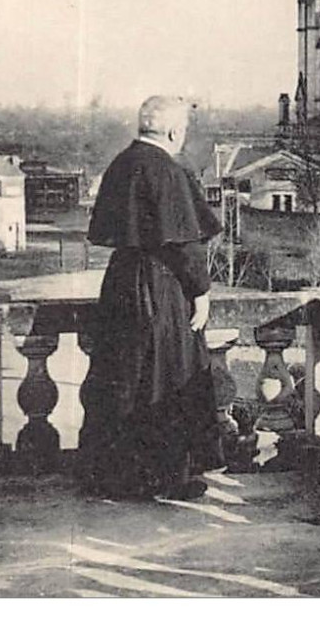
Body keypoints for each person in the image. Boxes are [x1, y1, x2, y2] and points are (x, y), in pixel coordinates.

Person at [79, 96, 225, 502]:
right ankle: (166, 476)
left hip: (121, 283)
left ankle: (115, 475)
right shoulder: (167, 170)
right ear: (175, 132)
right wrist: (202, 292)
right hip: (162, 287)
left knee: (122, 377)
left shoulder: (122, 164)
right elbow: (183, 243)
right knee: (167, 377)